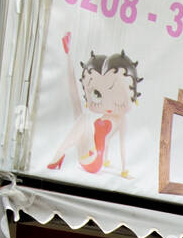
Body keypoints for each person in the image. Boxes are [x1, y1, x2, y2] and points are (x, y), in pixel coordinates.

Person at [47, 33, 142, 176]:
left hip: (94, 161)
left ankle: (59, 154)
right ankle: (68, 54)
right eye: (98, 95)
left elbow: (121, 144)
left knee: (84, 118)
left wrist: (124, 170)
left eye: (117, 97)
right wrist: (107, 160)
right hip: (87, 153)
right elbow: (106, 140)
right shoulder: (106, 116)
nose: (108, 103)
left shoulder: (121, 119)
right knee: (76, 104)